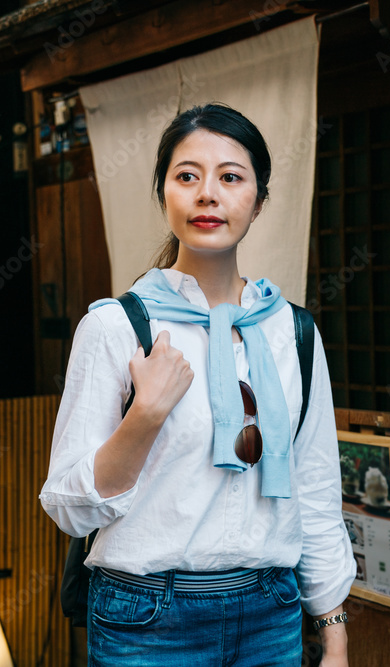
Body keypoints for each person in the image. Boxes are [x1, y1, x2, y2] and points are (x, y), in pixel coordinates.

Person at [40, 103, 356, 666]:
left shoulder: (294, 331)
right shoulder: (118, 327)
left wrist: (333, 632)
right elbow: (68, 506)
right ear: (164, 194)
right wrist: (146, 415)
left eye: (230, 177)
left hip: (271, 615)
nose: (207, 194)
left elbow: (314, 491)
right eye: (187, 176)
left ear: (259, 200)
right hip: (146, 620)